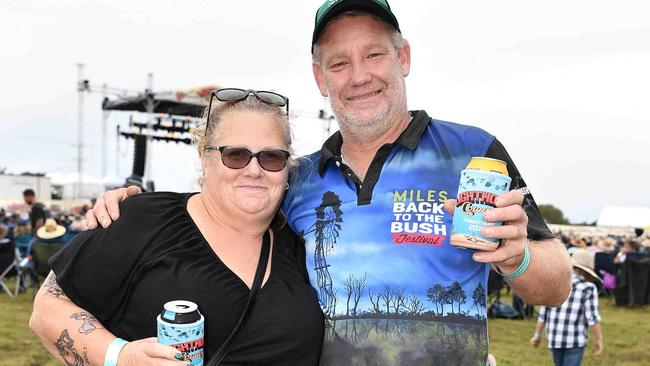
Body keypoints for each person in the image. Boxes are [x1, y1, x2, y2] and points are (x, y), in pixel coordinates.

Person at [84, 1, 571, 364]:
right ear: (320, 78)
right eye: (339, 63)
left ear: (403, 58)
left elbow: (555, 284)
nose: (358, 76)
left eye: (374, 55)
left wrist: (518, 255)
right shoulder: (295, 178)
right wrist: (132, 213)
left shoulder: (473, 151)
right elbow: (218, 215)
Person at [30, 90, 324, 365]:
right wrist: (120, 356)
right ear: (204, 157)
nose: (254, 170)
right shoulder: (143, 218)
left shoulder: (301, 243)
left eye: (272, 157)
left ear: (287, 167)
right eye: (235, 154)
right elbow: (47, 309)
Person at [531, 249, 603, 366]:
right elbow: (592, 317)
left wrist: (537, 335)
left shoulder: (555, 282)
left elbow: (543, 313)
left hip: (554, 338)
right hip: (575, 340)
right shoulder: (588, 288)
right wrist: (599, 339)